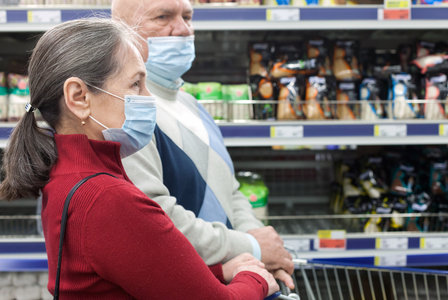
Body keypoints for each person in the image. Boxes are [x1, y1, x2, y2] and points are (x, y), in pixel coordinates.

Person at [0, 18, 279, 299]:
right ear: (79, 97)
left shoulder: (68, 173)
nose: (149, 98)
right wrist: (255, 278)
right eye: (136, 84)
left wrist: (221, 271)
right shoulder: (108, 198)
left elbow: (142, 269)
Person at [112, 0, 295, 288]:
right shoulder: (127, 113)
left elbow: (230, 190)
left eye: (187, 17)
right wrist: (252, 246)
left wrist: (260, 250)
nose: (183, 30)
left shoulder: (191, 104)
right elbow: (157, 218)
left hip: (234, 280)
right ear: (121, 30)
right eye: (163, 17)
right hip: (182, 285)